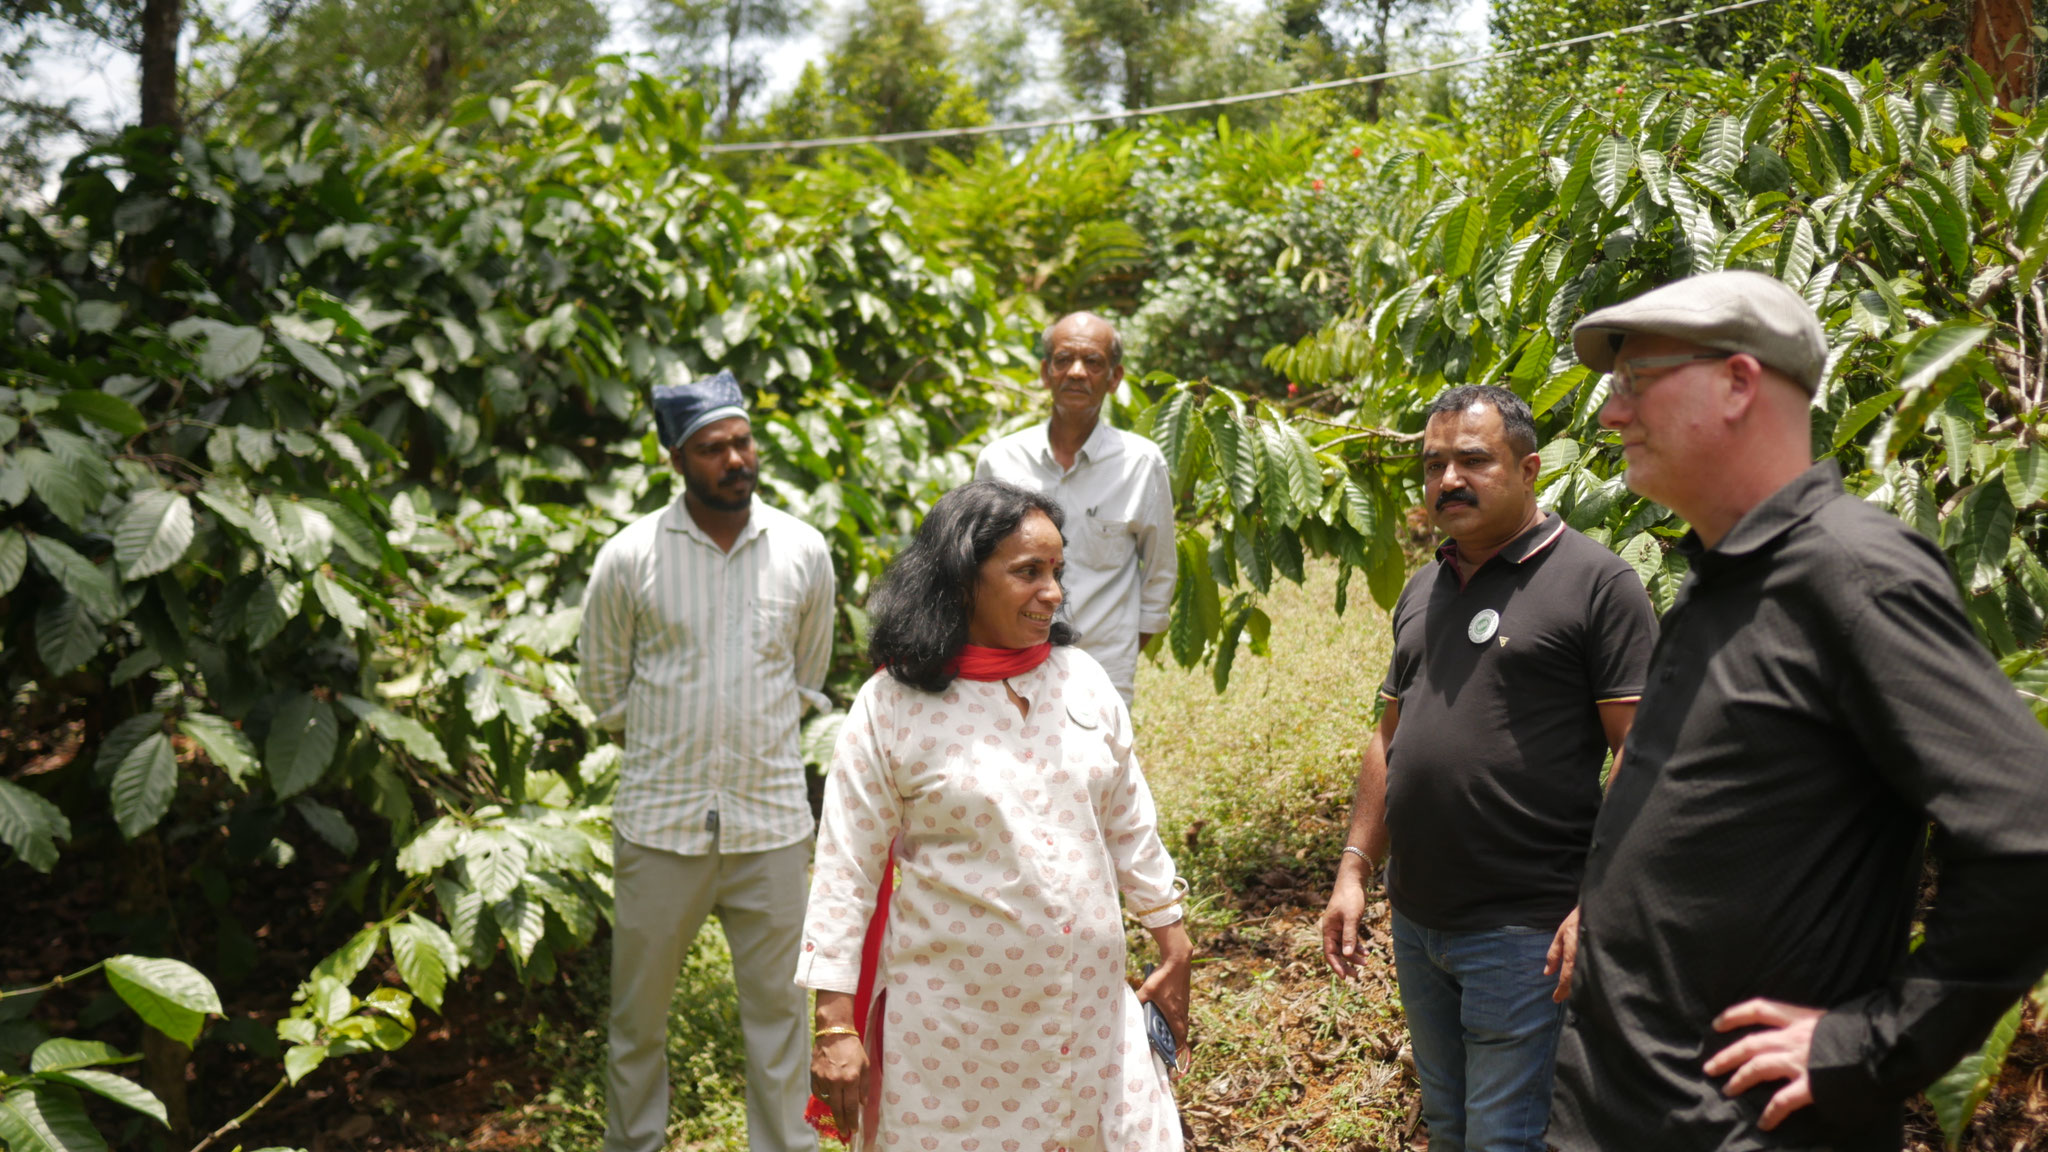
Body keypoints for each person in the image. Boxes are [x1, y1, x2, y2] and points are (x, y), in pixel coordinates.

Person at [1548, 270, 2048, 1150]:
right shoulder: (1717, 584)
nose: (1609, 414)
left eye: (1634, 382)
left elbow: (2028, 832)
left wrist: (1871, 1045)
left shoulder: (1852, 572)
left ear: (1739, 382)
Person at [799, 479, 1192, 1151]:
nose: (1054, 592)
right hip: (954, 1041)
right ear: (960, 581)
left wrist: (1172, 934)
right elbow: (847, 867)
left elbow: (1129, 822)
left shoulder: (1082, 681)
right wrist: (836, 1024)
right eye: (1028, 572)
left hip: (1088, 1021)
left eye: (1057, 572)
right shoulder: (891, 707)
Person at [1319, 384, 1657, 1152]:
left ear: (1530, 467)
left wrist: (1600, 899)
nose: (1447, 481)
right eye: (1434, 464)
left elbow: (1641, 754)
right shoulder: (1422, 587)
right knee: (1449, 1127)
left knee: (1504, 1138)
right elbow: (1390, 735)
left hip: (1525, 928)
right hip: (1419, 920)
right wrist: (1353, 869)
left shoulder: (1597, 584)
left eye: (1473, 460)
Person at [580, 370, 836, 1152]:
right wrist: (676, 743)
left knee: (780, 1025)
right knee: (636, 1026)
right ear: (676, 458)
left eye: (742, 442)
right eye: (712, 448)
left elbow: (806, 677)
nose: (735, 459)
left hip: (769, 825)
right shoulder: (630, 557)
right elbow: (603, 690)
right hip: (660, 828)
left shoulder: (802, 549)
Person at [975, 312, 1177, 704]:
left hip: (1102, 670)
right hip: (1007, 665)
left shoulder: (1141, 463)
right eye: (1064, 359)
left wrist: (1119, 657)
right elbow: (975, 565)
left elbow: (1160, 574)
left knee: (1097, 767)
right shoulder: (999, 461)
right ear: (1045, 372)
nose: (1077, 372)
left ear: (1114, 378)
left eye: (1093, 362)